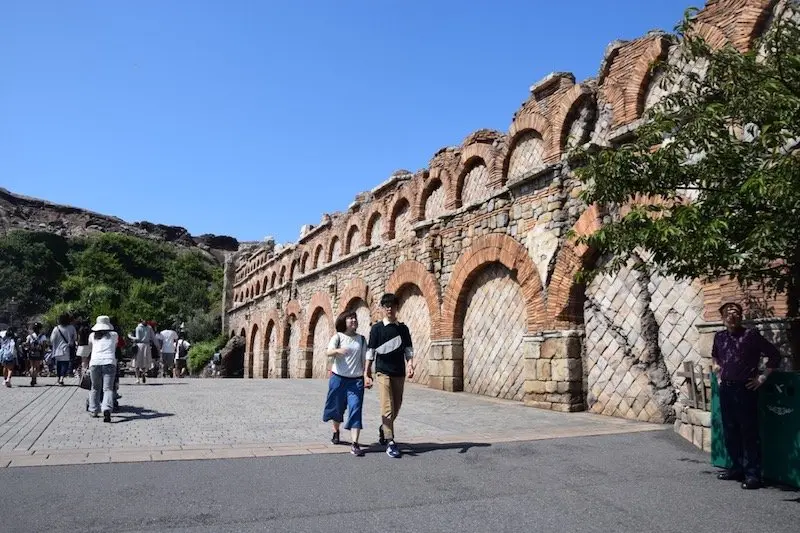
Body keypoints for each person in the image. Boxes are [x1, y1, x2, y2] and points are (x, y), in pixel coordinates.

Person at [712, 301, 781, 490]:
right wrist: (718, 375)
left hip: (745, 389)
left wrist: (762, 378)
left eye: (735, 313)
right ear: (722, 317)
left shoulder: (751, 336)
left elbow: (775, 355)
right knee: (730, 430)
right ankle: (736, 468)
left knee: (748, 432)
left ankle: (753, 475)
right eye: (727, 313)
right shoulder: (719, 337)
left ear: (741, 316)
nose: (731, 316)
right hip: (726, 389)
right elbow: (716, 358)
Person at [365, 293, 414, 459]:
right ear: (382, 308)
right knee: (386, 405)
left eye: (392, 306)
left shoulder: (402, 329)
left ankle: (384, 428)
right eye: (386, 306)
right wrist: (367, 373)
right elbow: (370, 351)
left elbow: (408, 349)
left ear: (396, 308)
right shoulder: (377, 329)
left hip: (399, 372)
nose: (389, 309)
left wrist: (410, 365)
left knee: (397, 405)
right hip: (382, 371)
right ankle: (390, 440)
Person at [323, 311, 369, 456]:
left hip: (356, 381)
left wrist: (367, 375)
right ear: (344, 321)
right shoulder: (338, 337)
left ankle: (355, 444)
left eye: (355, 318)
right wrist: (338, 350)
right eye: (350, 318)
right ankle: (336, 431)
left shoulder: (361, 339)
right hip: (338, 379)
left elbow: (365, 359)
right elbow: (328, 352)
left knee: (356, 408)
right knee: (337, 408)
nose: (354, 320)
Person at [87, 316, 118, 423]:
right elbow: (115, 346)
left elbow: (90, 348)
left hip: (95, 362)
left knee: (95, 387)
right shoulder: (114, 335)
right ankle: (107, 409)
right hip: (109, 362)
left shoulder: (92, 336)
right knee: (108, 388)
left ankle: (94, 410)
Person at [50, 313, 76, 386]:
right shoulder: (71, 328)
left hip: (57, 350)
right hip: (66, 349)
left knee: (58, 364)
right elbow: (75, 338)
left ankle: (58, 377)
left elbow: (52, 340)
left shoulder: (56, 328)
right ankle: (62, 378)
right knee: (65, 364)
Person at [26, 322, 48, 386]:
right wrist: (43, 354)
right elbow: (44, 346)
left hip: (31, 353)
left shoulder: (30, 336)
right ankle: (34, 378)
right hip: (38, 353)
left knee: (32, 366)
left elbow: (27, 344)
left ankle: (32, 378)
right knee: (37, 367)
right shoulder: (43, 336)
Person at [133, 319, 153, 384]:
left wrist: (131, 337)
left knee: (137, 362)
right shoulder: (149, 328)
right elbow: (152, 337)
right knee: (144, 361)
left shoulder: (138, 328)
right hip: (146, 345)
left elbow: (138, 338)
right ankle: (143, 373)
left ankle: (137, 378)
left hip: (139, 345)